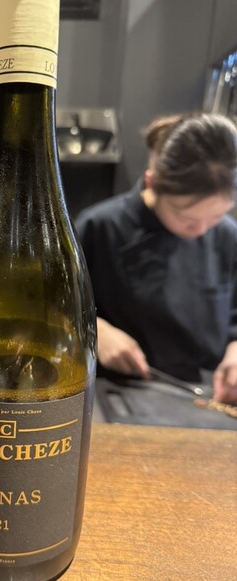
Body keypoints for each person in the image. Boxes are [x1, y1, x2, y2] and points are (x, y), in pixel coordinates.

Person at [73, 112, 237, 404]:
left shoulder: (227, 234)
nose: (201, 230)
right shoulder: (99, 227)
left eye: (215, 216)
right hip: (120, 390)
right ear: (151, 182)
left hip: (208, 392)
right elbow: (50, 312)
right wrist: (97, 331)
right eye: (186, 217)